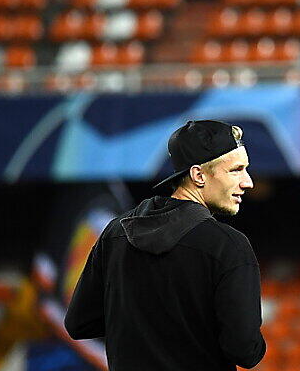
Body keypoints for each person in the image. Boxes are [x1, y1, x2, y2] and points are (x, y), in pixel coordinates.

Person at [65, 119, 266, 370]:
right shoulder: (228, 246)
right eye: (236, 170)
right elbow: (245, 350)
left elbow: (79, 323)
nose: (248, 182)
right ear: (198, 175)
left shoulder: (115, 234)